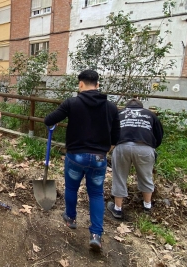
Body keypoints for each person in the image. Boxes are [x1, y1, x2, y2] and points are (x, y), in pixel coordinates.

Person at [44, 69, 120, 251]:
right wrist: (104, 150)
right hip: (99, 158)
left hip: (75, 156)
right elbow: (116, 138)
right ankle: (96, 235)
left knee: (71, 188)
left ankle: (70, 218)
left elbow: (49, 120)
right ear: (98, 85)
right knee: (96, 194)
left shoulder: (72, 103)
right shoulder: (111, 107)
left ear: (80, 84)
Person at [107, 98, 163, 219]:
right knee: (146, 176)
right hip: (145, 147)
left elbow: (111, 132)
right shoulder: (150, 114)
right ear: (141, 107)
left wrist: (111, 146)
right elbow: (159, 135)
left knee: (119, 177)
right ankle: (147, 206)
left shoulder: (119, 113)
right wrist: (152, 147)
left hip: (122, 146)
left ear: (126, 107)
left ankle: (117, 209)